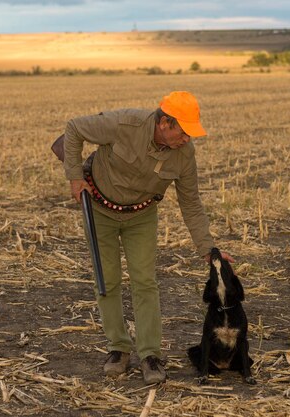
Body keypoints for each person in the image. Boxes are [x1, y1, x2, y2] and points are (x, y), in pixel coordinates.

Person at [63, 91, 233, 384]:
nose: (187, 139)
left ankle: (150, 354)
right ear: (165, 122)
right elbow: (74, 128)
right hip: (100, 210)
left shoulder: (184, 154)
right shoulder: (125, 124)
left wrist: (207, 248)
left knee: (144, 281)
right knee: (108, 279)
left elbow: (190, 202)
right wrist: (75, 177)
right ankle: (118, 348)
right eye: (183, 132)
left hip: (141, 216)